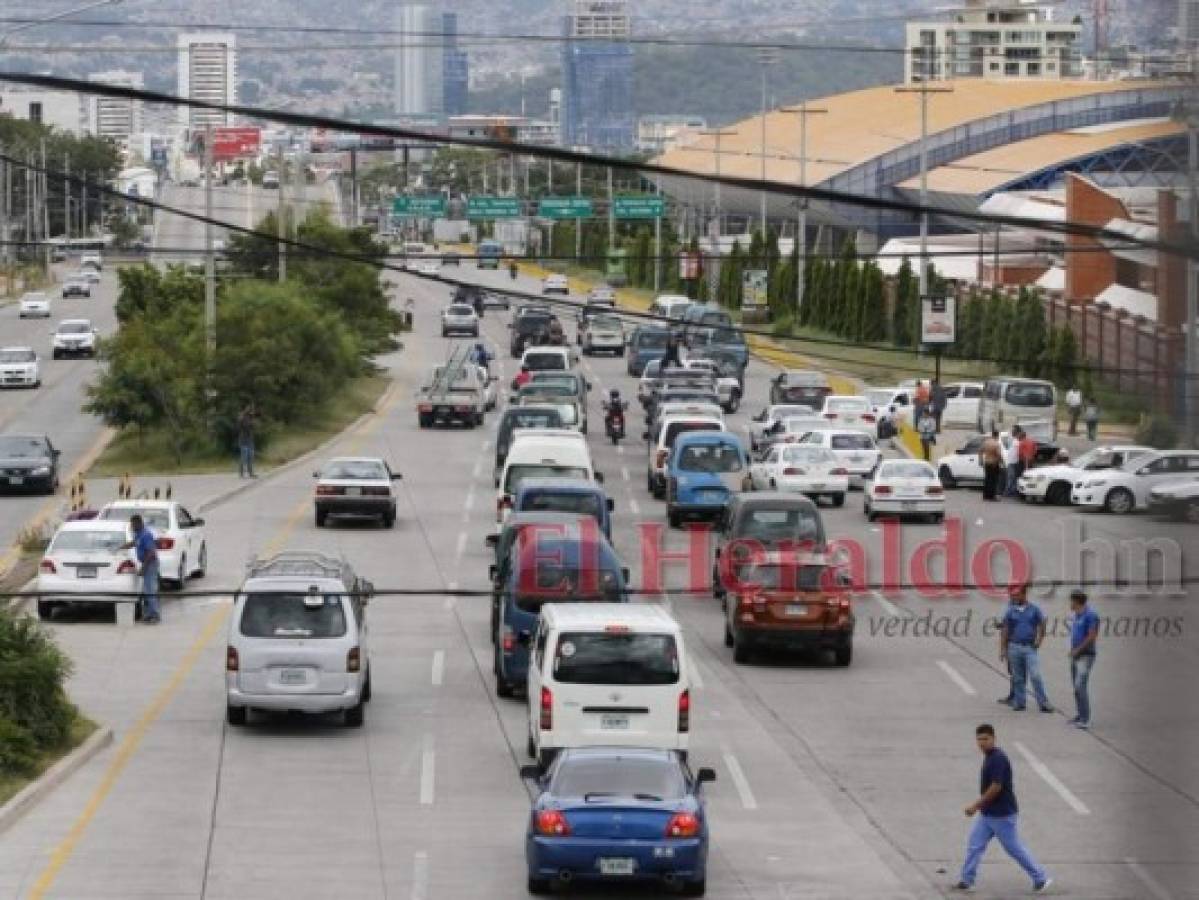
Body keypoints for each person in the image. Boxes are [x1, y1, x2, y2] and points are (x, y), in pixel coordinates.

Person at [953, 724, 1052, 893]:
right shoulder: (989, 756)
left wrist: (975, 806)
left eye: (985, 739)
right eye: (979, 739)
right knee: (975, 845)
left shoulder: (998, 758)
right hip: (988, 814)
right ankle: (967, 880)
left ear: (994, 739)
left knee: (1014, 848)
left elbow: (996, 787)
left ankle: (1041, 878)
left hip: (1002, 815)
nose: (982, 743)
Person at [1000, 583, 1053, 713]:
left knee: (1035, 675)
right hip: (1014, 647)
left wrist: (1039, 641)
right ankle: (1020, 702)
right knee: (1018, 677)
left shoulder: (1034, 609)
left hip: (1029, 647)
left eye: (1017, 595)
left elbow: (1042, 624)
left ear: (1024, 594)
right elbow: (1005, 630)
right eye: (1013, 595)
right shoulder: (1011, 611)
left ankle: (1043, 702)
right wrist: (1003, 649)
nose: (1014, 597)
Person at [1068, 589, 1099, 729]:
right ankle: (1080, 715)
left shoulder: (1091, 615)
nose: (1070, 603)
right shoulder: (1077, 615)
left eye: (1071, 601)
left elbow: (1092, 636)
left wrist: (1078, 650)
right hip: (1075, 655)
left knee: (1080, 685)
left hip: (1085, 655)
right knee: (1076, 687)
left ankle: (1086, 719)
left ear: (1076, 601)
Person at [127, 514, 161, 624]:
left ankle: (155, 615)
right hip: (146, 563)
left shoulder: (146, 535)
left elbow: (151, 553)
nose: (132, 526)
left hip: (150, 564)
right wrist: (121, 547)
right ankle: (149, 614)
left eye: (133, 524)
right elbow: (134, 543)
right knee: (146, 590)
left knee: (150, 590)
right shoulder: (138, 534)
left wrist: (143, 568)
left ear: (139, 523)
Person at [980, 430, 1003, 501]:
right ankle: (992, 496)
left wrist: (980, 460)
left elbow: (980, 451)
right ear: (997, 436)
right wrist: (1000, 461)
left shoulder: (986, 442)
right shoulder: (996, 444)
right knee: (994, 480)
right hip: (994, 463)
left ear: (992, 435)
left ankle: (986, 495)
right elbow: (998, 454)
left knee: (987, 479)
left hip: (987, 462)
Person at [237, 402, 257, 479]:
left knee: (250, 457)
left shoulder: (249, 416)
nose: (250, 409)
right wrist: (251, 422)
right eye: (248, 407)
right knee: (244, 457)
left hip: (249, 439)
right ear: (245, 408)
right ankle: (241, 473)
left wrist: (252, 419)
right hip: (243, 440)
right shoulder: (242, 417)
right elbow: (245, 426)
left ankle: (251, 473)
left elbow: (252, 426)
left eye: (250, 408)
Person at [1003, 427, 1022, 498]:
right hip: (1011, 462)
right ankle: (1007, 492)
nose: (1012, 432)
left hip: (1014, 462)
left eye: (1013, 431)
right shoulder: (1013, 440)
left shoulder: (1016, 441)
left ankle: (1012, 491)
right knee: (1011, 477)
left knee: (1013, 477)